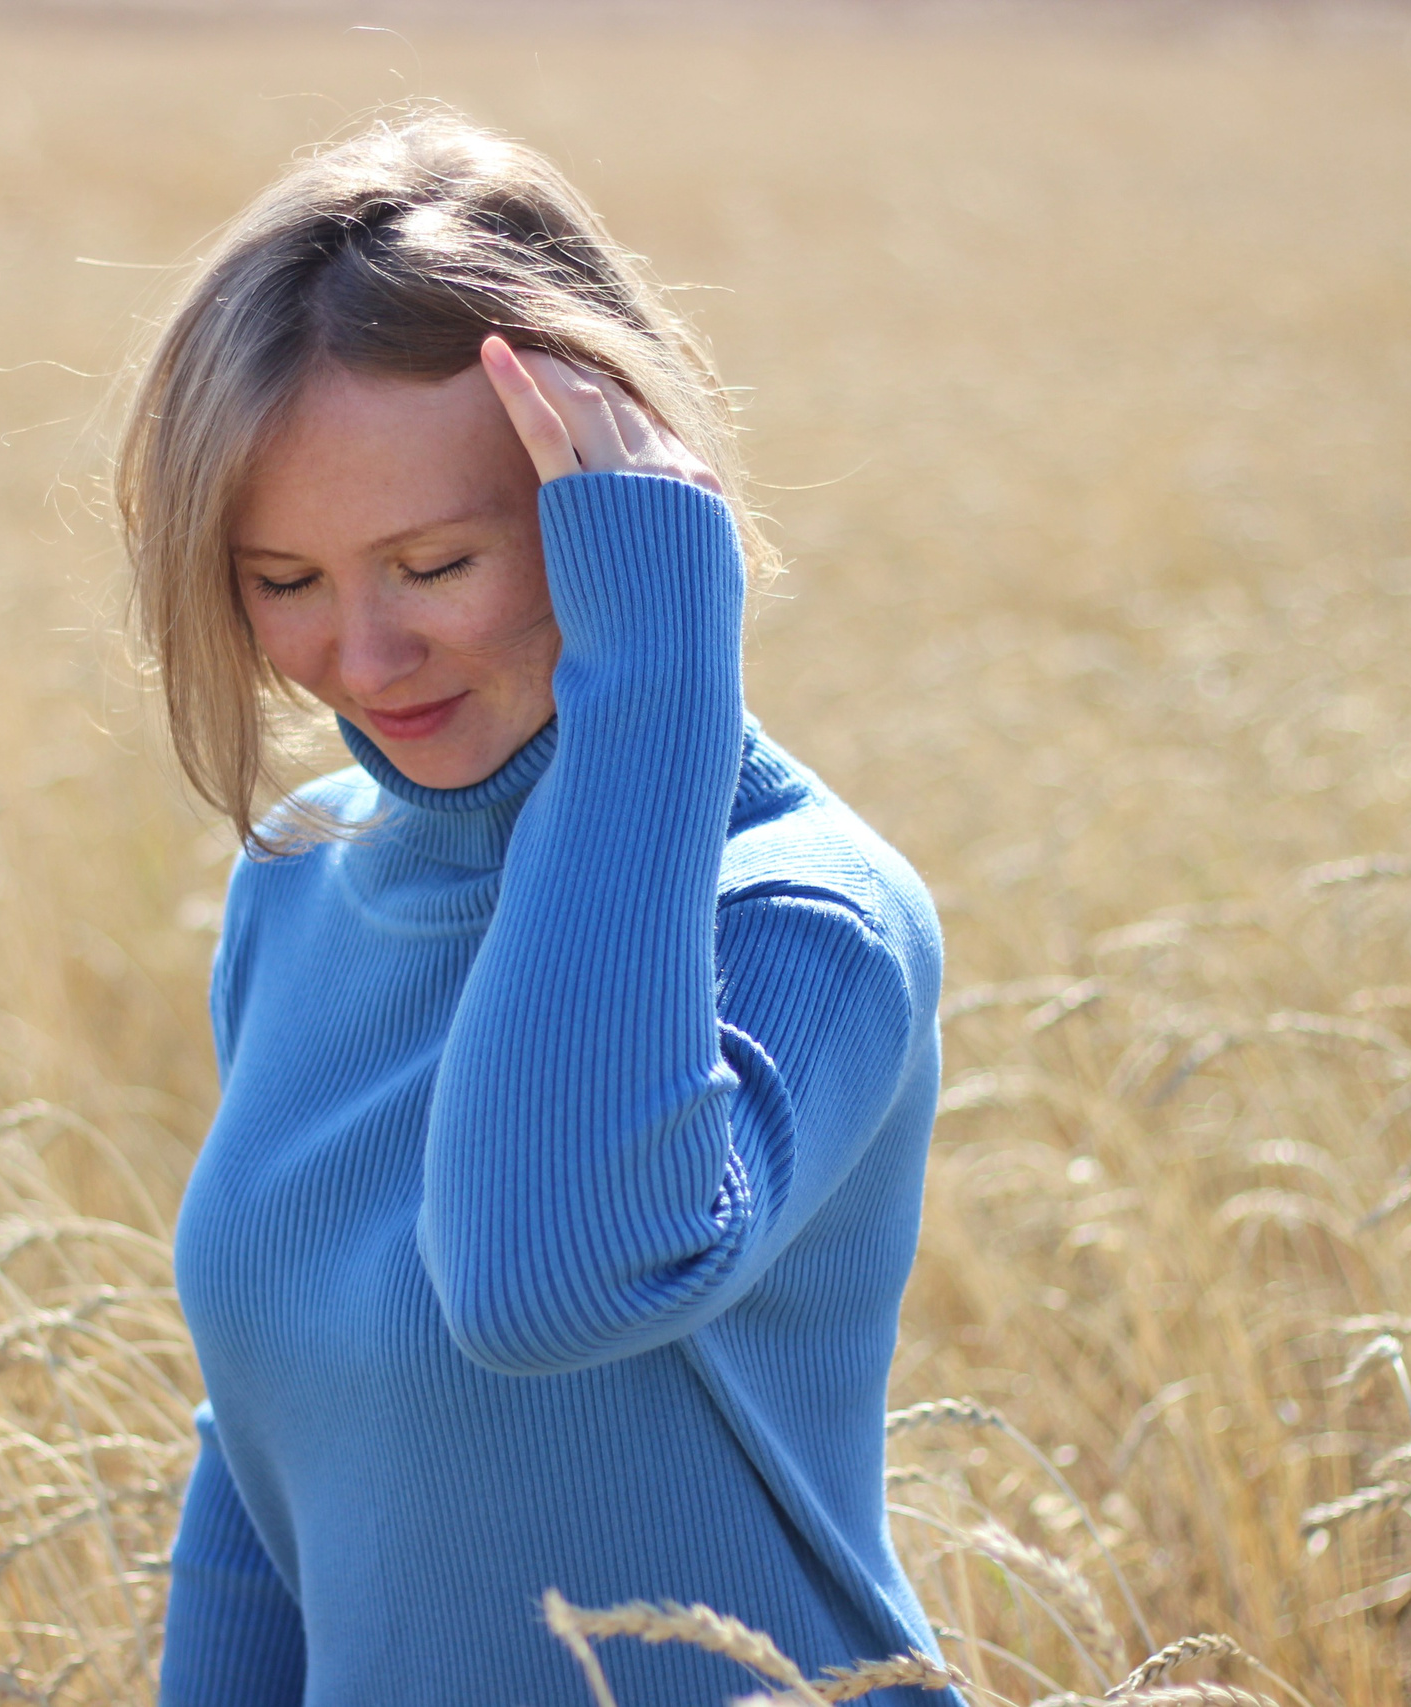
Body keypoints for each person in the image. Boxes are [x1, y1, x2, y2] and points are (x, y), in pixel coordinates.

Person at [118, 107, 953, 1707]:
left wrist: (660, 675)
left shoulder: (807, 921)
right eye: (284, 581)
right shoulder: (302, 879)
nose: (363, 660)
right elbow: (273, 1447)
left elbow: (540, 1281)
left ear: (610, 504)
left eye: (435, 564)